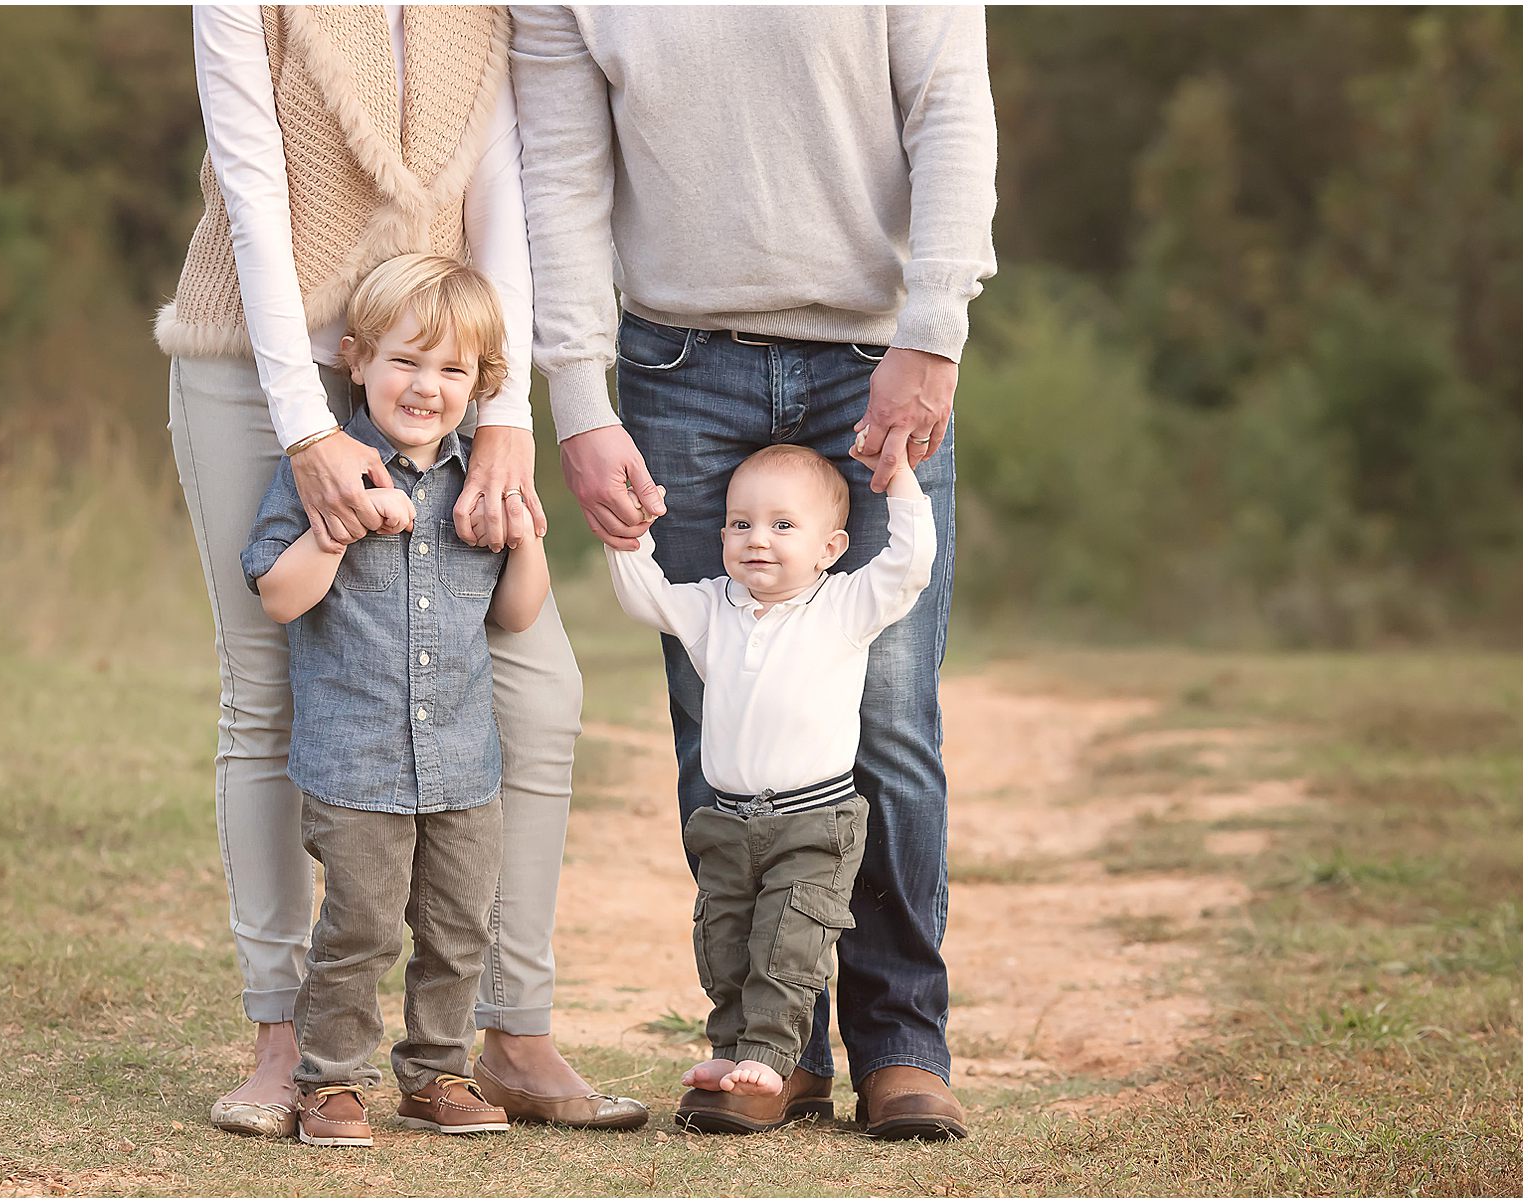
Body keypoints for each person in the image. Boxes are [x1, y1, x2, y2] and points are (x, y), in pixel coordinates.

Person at [510, 6, 997, 1139]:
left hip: (877, 353)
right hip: (678, 367)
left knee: (886, 718)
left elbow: (952, 112)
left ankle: (900, 1047)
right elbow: (561, 182)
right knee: (720, 722)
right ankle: (765, 1050)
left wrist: (934, 333)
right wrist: (577, 401)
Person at [161, 5, 647, 1137]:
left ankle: (508, 1030)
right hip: (260, 352)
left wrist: (507, 408)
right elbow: (251, 187)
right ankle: (290, 1040)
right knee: (270, 693)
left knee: (539, 686)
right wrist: (307, 429)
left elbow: (506, 192)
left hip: (440, 350)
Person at [241, 255, 545, 1147]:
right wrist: (338, 531)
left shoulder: (479, 481)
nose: (428, 386)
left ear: (480, 385)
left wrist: (525, 537)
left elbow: (517, 616)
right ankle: (329, 1081)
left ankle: (438, 1074)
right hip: (356, 761)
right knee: (361, 928)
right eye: (408, 362)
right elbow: (278, 595)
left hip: (462, 763)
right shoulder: (325, 476)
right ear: (356, 359)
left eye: (453, 370)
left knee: (458, 930)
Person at [606, 441, 937, 1134]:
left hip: (815, 821)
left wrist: (901, 478)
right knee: (726, 942)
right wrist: (627, 536)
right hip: (727, 821)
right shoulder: (711, 607)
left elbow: (909, 567)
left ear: (830, 546)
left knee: (788, 945)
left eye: (783, 525)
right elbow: (645, 597)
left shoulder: (843, 604)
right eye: (739, 523)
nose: (757, 539)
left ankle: (771, 1058)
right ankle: (732, 1051)